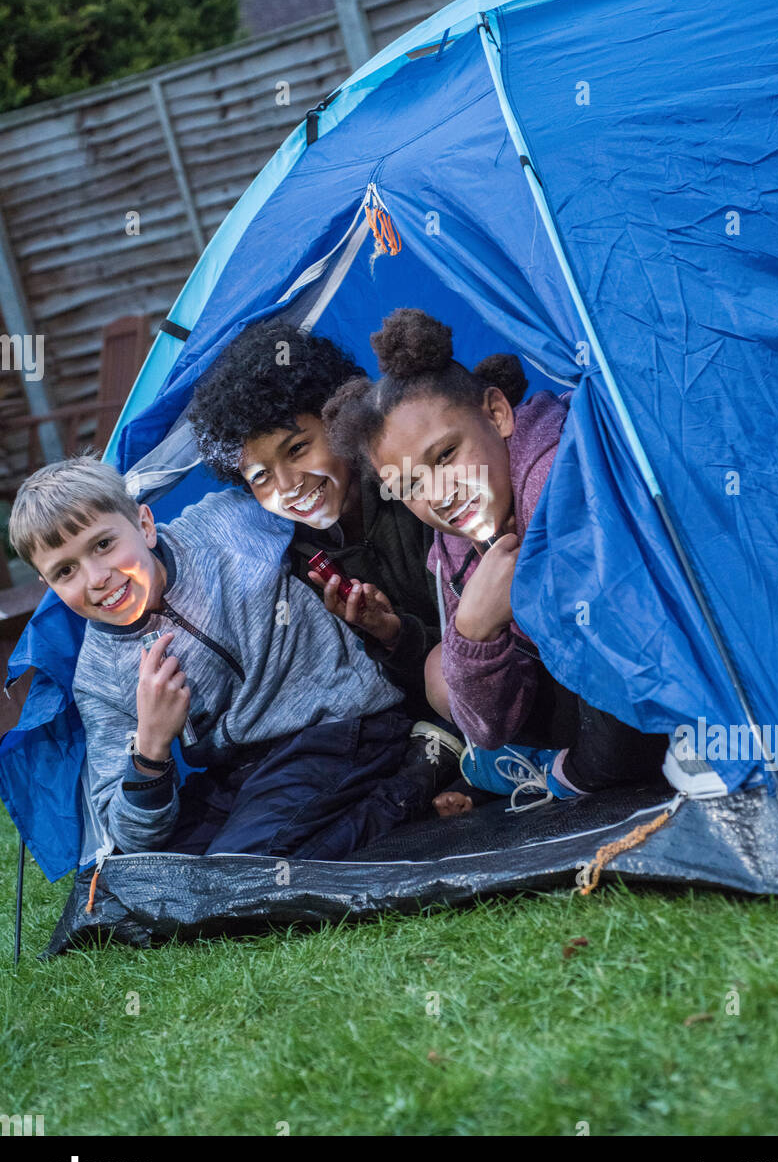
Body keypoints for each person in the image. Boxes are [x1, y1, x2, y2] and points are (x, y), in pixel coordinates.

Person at [7, 455, 459, 860]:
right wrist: (150, 747)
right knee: (141, 876)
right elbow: (128, 832)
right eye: (65, 571)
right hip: (240, 772)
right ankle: (399, 778)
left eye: (103, 544)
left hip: (341, 722)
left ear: (144, 526)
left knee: (241, 864)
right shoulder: (99, 677)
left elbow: (310, 485)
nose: (97, 577)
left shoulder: (225, 523)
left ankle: (414, 778)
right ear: (50, 587)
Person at [324, 308, 669, 808]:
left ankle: (568, 769)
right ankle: (538, 761)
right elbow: (488, 726)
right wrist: (474, 630)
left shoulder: (559, 467)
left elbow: (626, 630)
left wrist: (580, 771)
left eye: (444, 456)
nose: (440, 493)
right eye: (412, 484)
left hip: (655, 655)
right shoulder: (452, 550)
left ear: (497, 414)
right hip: (582, 681)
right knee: (443, 669)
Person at [187, 317, 444, 727]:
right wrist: (391, 635)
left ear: (338, 419)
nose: (288, 485)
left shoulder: (414, 485)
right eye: (260, 476)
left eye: (298, 448)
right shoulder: (296, 562)